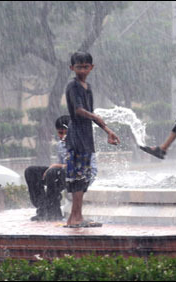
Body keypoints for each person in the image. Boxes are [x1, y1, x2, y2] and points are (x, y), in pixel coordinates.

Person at [64, 51, 120, 228]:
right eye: (78, 66)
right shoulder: (73, 87)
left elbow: (89, 113)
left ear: (91, 67)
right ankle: (75, 218)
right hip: (77, 136)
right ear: (72, 68)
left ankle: (76, 217)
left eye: (85, 66)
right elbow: (79, 110)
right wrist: (96, 118)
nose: (82, 69)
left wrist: (107, 130)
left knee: (84, 177)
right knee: (78, 177)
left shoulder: (87, 87)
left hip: (86, 135)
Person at [25, 115, 96, 222]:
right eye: (60, 133)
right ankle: (43, 209)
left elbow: (80, 166)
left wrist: (55, 167)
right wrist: (55, 167)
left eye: (65, 132)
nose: (62, 136)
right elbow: (61, 165)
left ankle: (54, 212)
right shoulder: (60, 145)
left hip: (83, 176)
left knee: (53, 172)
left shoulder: (81, 143)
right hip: (65, 173)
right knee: (31, 171)